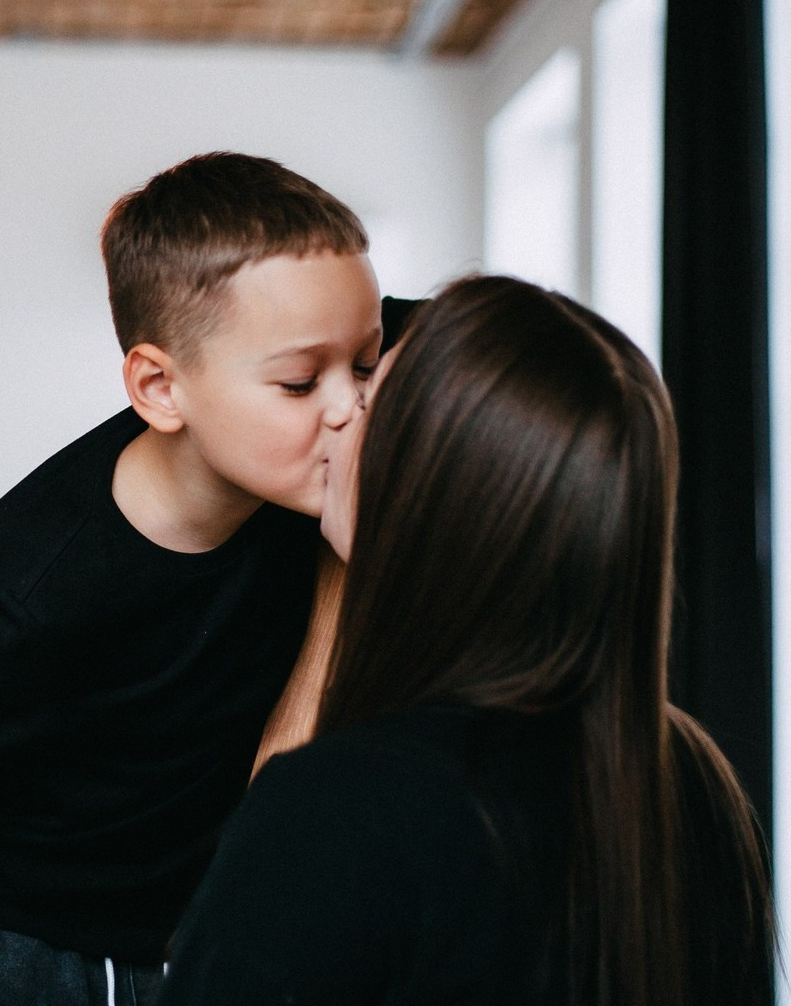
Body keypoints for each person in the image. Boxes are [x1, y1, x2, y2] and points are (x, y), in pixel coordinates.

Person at [0, 152, 393, 1006]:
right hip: (32, 945)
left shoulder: (289, 441)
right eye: (298, 382)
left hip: (174, 916)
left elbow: (450, 330)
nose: (350, 407)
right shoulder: (39, 596)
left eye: (366, 363)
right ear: (160, 388)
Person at [160, 275, 775, 1006]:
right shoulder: (694, 786)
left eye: (370, 398)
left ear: (431, 493)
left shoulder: (341, 809)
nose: (339, 420)